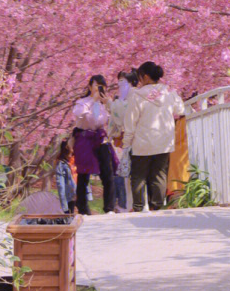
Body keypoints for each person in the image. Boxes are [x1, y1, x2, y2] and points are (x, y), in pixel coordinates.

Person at [121, 61, 185, 213]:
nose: (139, 81)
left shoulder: (137, 96)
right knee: (159, 175)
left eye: (140, 77)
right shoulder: (169, 93)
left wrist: (126, 143)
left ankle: (138, 207)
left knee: (138, 175)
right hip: (164, 142)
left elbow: (130, 122)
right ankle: (156, 206)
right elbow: (181, 109)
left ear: (146, 76)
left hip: (142, 144)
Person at [72, 74, 117, 215]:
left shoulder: (105, 104)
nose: (99, 89)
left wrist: (107, 103)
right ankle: (83, 208)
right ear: (90, 86)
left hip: (100, 138)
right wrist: (93, 101)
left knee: (107, 172)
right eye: (96, 85)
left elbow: (113, 118)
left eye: (102, 86)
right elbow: (78, 115)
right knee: (83, 173)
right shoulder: (83, 102)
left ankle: (109, 207)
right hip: (85, 138)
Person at [108, 69, 138, 213]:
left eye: (123, 81)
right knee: (127, 174)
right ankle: (130, 205)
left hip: (135, 139)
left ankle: (133, 204)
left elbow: (119, 113)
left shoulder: (134, 95)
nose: (120, 84)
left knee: (133, 174)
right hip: (126, 140)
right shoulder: (123, 98)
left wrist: (109, 103)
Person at [53, 139, 77, 216]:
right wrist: (64, 206)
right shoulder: (61, 164)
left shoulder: (71, 162)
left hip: (75, 193)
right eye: (71, 153)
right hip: (69, 195)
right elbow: (61, 185)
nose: (72, 156)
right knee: (70, 214)